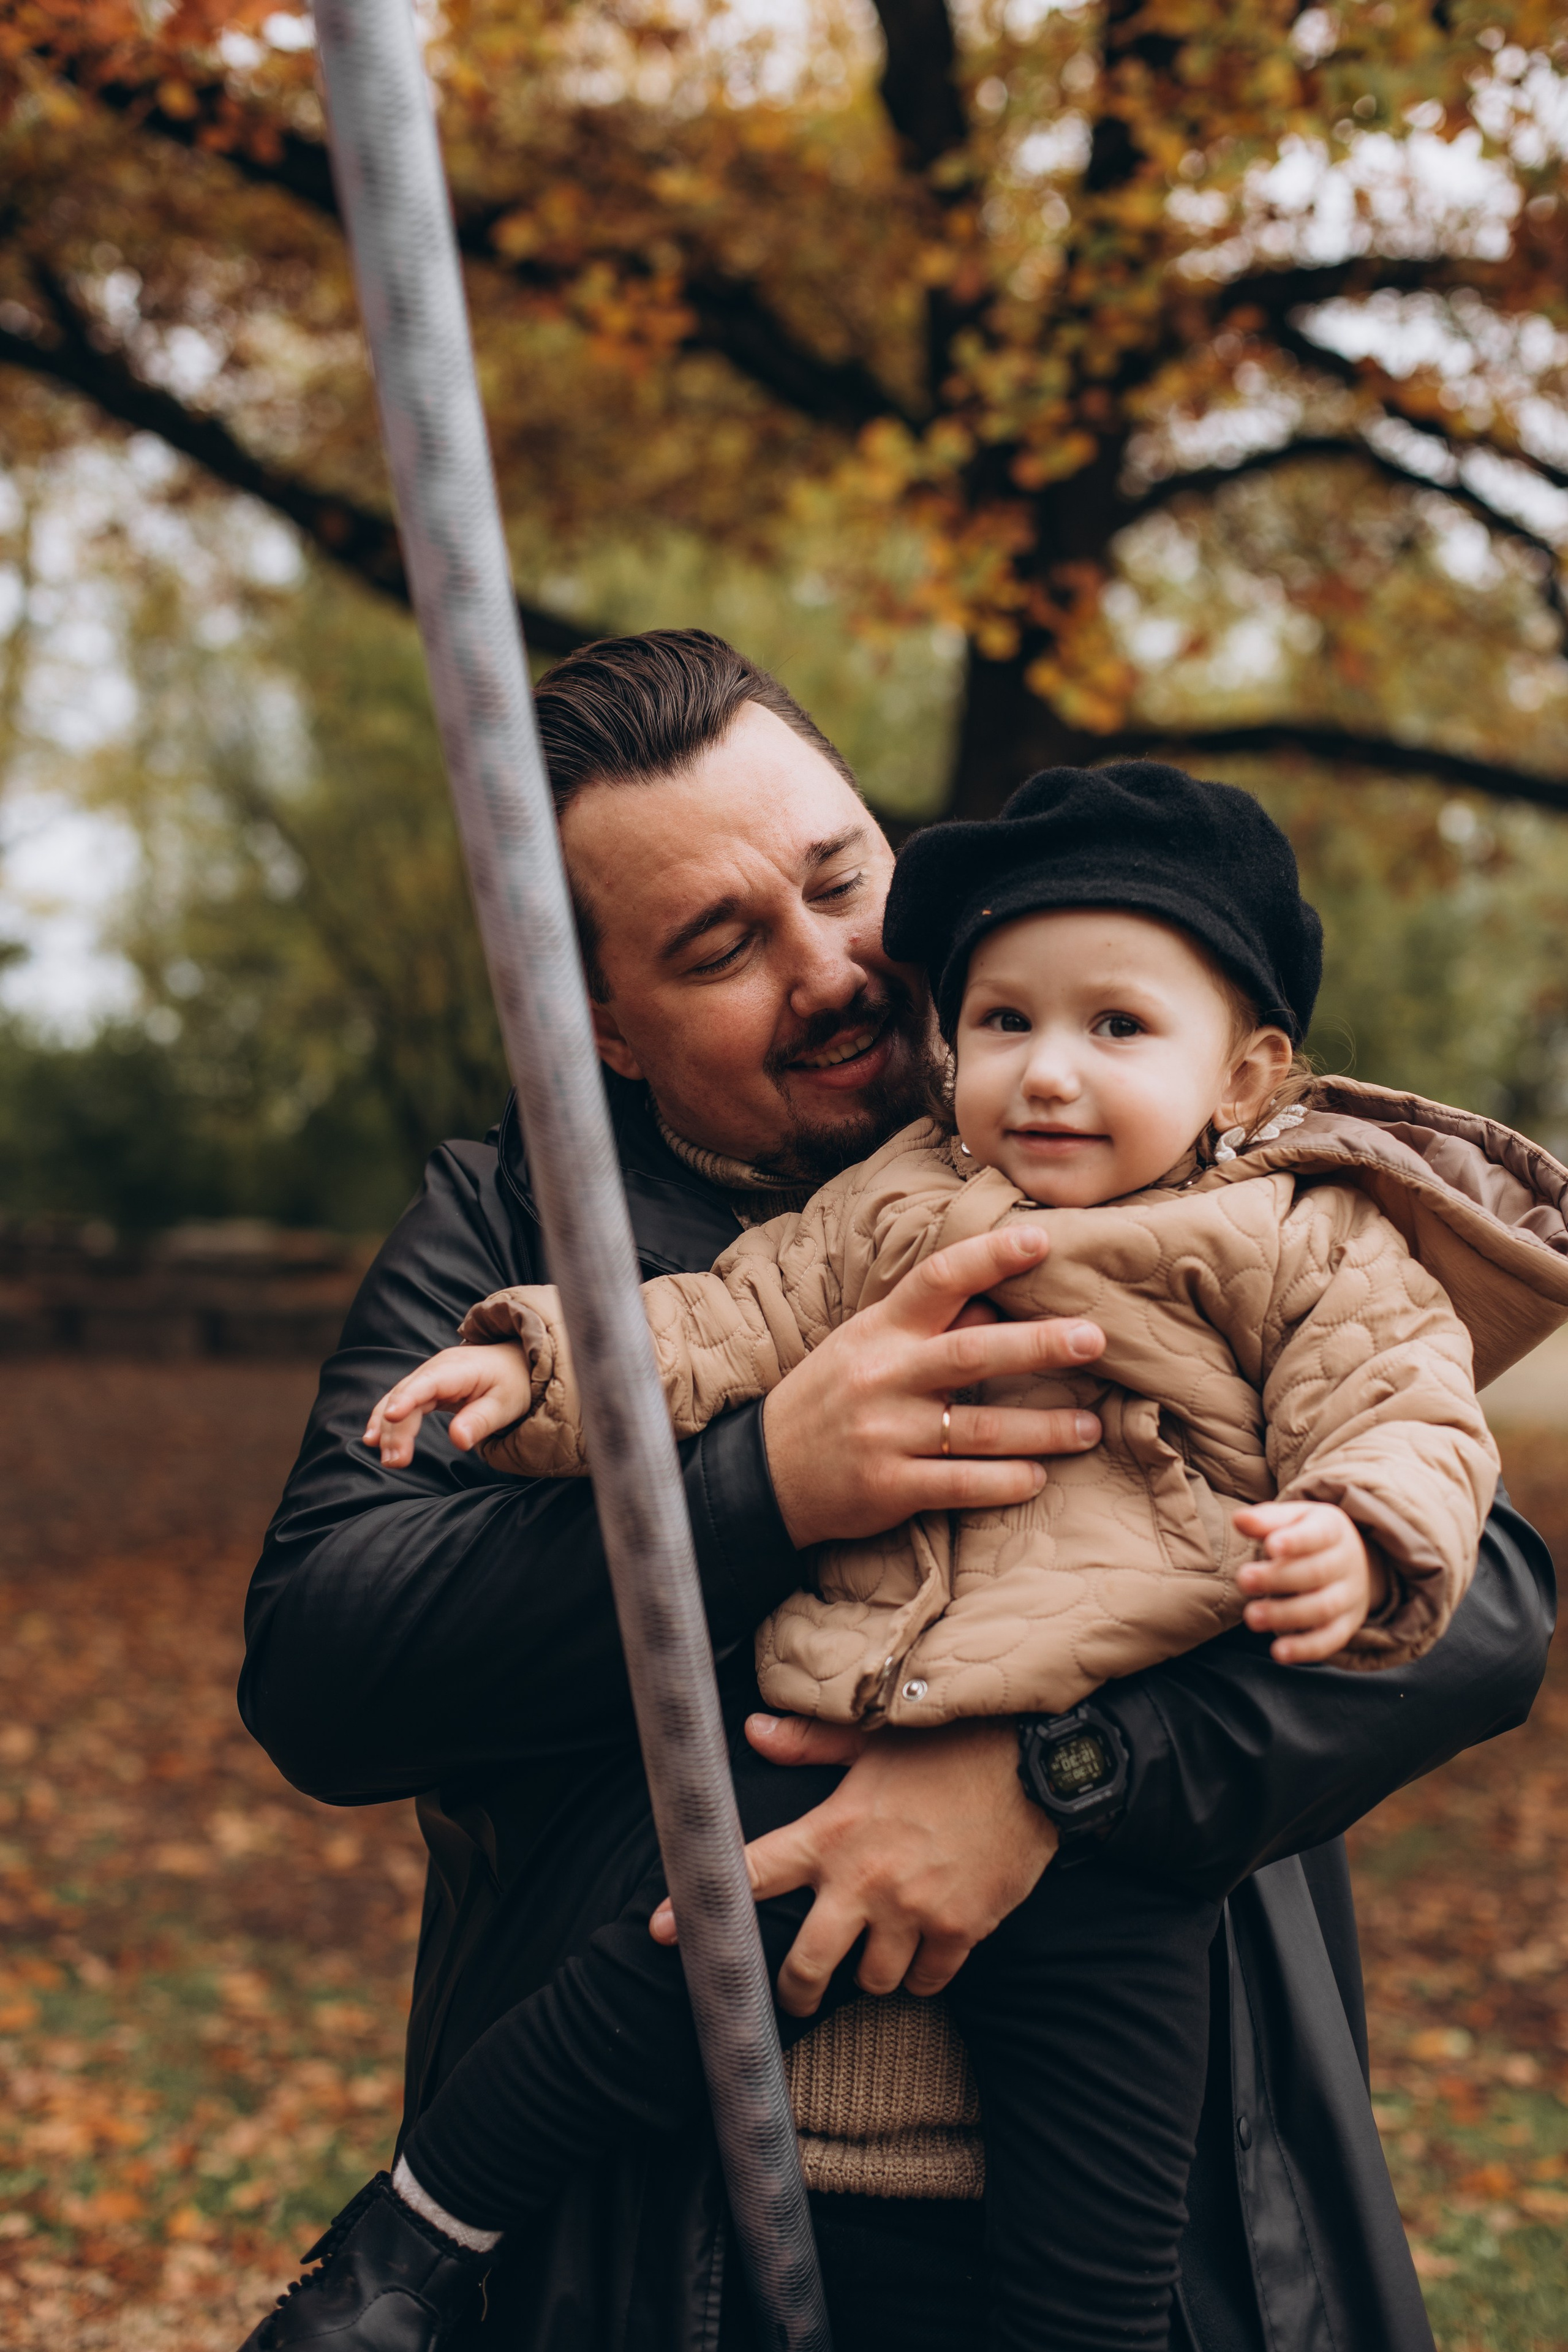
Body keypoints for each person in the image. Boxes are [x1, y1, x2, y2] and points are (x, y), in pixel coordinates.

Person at [235, 631, 1555, 2352]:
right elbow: (330, 1667)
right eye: (723, 946)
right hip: (662, 2237)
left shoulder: (1217, 1151)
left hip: (1165, 2162)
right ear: (605, 1031)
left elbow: (1487, 1603)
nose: (835, 966)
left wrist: (1052, 1777)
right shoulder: (514, 1229)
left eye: (841, 876)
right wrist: (757, 1487)